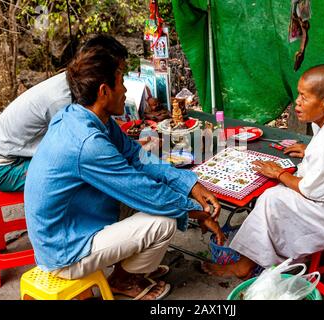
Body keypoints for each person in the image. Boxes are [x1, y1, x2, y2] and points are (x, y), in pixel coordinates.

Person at [24, 37, 224, 300]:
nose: (127, 91)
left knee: (161, 197)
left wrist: (190, 184)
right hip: (64, 251)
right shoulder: (87, 143)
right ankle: (123, 279)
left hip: (75, 224)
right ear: (104, 91)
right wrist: (196, 211)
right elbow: (146, 192)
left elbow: (137, 157)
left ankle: (127, 267)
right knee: (163, 220)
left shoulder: (83, 116)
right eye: (121, 82)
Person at [202, 64, 324, 279]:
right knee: (280, 193)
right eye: (298, 95)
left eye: (304, 97)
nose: (297, 102)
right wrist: (311, 150)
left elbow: (315, 192)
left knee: (272, 198)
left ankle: (244, 266)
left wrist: (280, 174)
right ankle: (301, 254)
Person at [0, 35, 132, 192]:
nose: (121, 80)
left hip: (13, 154)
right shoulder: (62, 100)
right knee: (89, 173)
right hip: (2, 167)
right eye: (118, 72)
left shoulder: (76, 84)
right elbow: (85, 149)